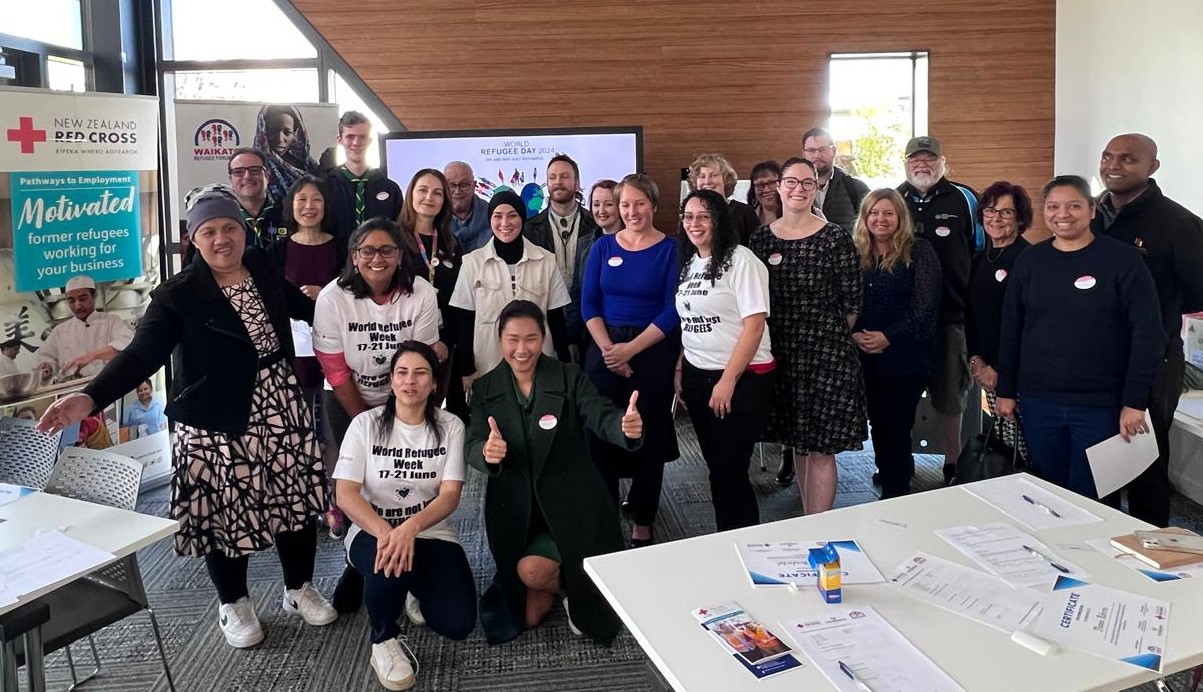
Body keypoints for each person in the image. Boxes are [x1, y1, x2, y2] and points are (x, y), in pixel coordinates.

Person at [37, 193, 336, 648]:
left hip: (279, 400)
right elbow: (141, 355)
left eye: (230, 228)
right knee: (222, 512)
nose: (222, 239)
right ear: (193, 239)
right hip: (212, 416)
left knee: (294, 498)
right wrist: (90, 397)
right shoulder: (178, 295)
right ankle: (233, 602)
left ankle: (298, 588)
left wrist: (365, 309)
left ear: (243, 230)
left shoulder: (262, 266)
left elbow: (306, 309)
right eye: (209, 231)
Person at [465, 300, 643, 645]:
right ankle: (565, 582)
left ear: (543, 337)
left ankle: (579, 591)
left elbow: (599, 413)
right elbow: (472, 440)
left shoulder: (567, 375)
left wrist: (624, 427)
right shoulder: (486, 389)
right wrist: (486, 452)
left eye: (531, 338)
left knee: (535, 574)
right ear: (499, 339)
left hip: (572, 501)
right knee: (527, 616)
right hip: (518, 509)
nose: (521, 349)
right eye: (513, 339)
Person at [996, 175, 1163, 504]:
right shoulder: (1030, 261)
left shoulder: (1123, 261)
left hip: (1101, 405)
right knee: (1049, 495)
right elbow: (1011, 328)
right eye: (1053, 206)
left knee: (1096, 497)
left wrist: (1134, 401)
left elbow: (1147, 334)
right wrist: (1006, 391)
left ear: (1090, 210)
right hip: (1039, 401)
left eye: (1074, 205)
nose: (1063, 214)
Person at [313, 217, 441, 613]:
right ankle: (362, 565)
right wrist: (368, 423)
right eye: (367, 250)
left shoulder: (421, 291)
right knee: (359, 489)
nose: (377, 258)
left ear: (400, 255)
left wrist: (399, 419)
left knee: (411, 484)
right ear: (354, 256)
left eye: (386, 249)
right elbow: (334, 367)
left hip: (408, 398)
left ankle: (415, 572)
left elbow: (422, 359)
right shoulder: (333, 297)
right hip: (347, 400)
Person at [334, 341, 476, 690]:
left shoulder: (451, 425)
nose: (410, 381)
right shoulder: (365, 424)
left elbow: (450, 495)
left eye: (420, 373)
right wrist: (388, 533)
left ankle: (406, 582)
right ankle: (383, 639)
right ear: (392, 381)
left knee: (457, 623)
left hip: (429, 530)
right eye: (402, 372)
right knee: (389, 561)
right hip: (373, 529)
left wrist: (409, 528)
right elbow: (346, 494)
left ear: (433, 383)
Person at [1093, 133, 1203, 527]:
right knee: (1098, 460)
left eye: (1128, 159)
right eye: (1107, 156)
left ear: (1152, 167)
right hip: (1095, 362)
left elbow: (1197, 293)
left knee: (1143, 463)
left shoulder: (1178, 223)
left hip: (1152, 362)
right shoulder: (1092, 215)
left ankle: (1150, 556)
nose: (1113, 165)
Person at [749, 159, 866, 514]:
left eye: (806, 183)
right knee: (798, 443)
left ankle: (821, 523)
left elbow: (851, 304)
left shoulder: (835, 238)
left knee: (820, 448)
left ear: (816, 188)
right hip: (781, 357)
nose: (798, 189)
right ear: (779, 187)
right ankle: (806, 519)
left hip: (825, 358)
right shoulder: (760, 239)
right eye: (791, 182)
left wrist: (821, 338)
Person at [581, 173, 679, 547]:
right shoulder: (604, 248)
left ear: (653, 205)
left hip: (651, 347)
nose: (632, 211)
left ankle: (643, 516)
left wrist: (631, 350)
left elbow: (673, 310)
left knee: (649, 434)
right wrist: (610, 349)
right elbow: (590, 303)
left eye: (639, 203)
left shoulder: (671, 249)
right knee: (599, 432)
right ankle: (605, 511)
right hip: (604, 346)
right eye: (625, 205)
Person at [677, 189, 775, 530]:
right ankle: (725, 539)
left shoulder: (742, 260)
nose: (694, 224)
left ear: (719, 220)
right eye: (688, 216)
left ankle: (743, 543)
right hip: (697, 374)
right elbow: (689, 317)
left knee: (729, 471)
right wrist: (681, 367)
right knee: (717, 469)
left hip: (739, 378)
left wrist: (728, 380)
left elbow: (754, 325)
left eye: (703, 216)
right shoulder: (690, 261)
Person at [897, 135, 983, 484]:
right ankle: (895, 457)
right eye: (915, 160)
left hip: (951, 315)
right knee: (899, 395)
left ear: (942, 162)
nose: (922, 165)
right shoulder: (893, 199)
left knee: (950, 394)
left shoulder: (965, 198)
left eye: (929, 159)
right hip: (903, 321)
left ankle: (953, 460)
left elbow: (980, 251)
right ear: (905, 164)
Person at [851, 189, 942, 499]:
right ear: (865, 218)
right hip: (865, 355)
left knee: (898, 424)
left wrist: (887, 336)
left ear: (900, 217)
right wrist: (855, 334)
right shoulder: (856, 252)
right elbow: (845, 300)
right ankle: (889, 472)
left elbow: (924, 309)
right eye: (874, 213)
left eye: (888, 213)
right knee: (878, 422)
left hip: (906, 356)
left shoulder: (919, 251)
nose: (881, 219)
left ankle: (897, 491)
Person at [451, 189, 571, 397]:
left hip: (538, 364)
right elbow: (463, 320)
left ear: (522, 219)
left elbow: (555, 318)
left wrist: (565, 366)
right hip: (488, 366)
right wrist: (466, 370)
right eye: (497, 216)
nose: (505, 223)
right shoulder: (472, 263)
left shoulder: (546, 260)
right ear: (490, 220)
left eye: (512, 215)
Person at [965, 182, 1033, 461]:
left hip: (1016, 373)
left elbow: (1027, 323)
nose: (996, 218)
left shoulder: (1028, 259)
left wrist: (1001, 370)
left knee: (1024, 450)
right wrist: (976, 360)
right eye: (991, 210)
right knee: (1006, 448)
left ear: (1020, 218)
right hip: (987, 369)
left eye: (1006, 212)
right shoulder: (981, 258)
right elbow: (972, 313)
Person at [397, 168, 468, 420]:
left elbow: (457, 300)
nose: (430, 197)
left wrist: (445, 341)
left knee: (438, 416)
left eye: (437, 192)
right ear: (411, 195)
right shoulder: (395, 238)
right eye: (423, 190)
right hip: (403, 343)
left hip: (444, 345)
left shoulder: (451, 242)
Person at [523, 155, 601, 361]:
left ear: (577, 183)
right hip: (547, 323)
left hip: (591, 324)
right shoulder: (530, 229)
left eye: (564, 176)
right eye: (552, 177)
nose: (558, 182)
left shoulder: (596, 225)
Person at [326, 111, 403, 248]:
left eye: (362, 137)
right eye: (350, 137)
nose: (356, 142)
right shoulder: (326, 186)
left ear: (369, 141)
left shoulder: (390, 188)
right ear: (340, 140)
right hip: (336, 264)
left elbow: (399, 232)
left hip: (378, 263)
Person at [35, 275, 133, 380]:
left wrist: (92, 356)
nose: (77, 306)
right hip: (69, 389)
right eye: (71, 301)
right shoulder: (60, 330)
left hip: (105, 384)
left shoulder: (111, 321)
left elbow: (127, 344)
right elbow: (46, 356)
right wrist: (46, 367)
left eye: (83, 299)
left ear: (94, 296)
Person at [802, 127, 870, 233]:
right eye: (811, 150)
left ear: (833, 151)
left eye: (822, 149)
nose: (817, 155)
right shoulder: (793, 190)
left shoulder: (856, 188)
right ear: (804, 154)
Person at [688, 153, 760, 244]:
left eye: (714, 175)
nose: (707, 181)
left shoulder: (744, 212)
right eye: (702, 176)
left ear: (726, 179)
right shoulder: (689, 214)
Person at [254, 104, 320, 203]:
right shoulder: (254, 167)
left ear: (295, 134)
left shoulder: (309, 166)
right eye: (273, 131)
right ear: (263, 131)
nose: (280, 139)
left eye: (287, 132)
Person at [227, 148, 287, 250]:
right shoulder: (221, 218)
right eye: (238, 172)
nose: (247, 177)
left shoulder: (289, 214)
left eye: (255, 170)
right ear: (231, 180)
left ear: (267, 177)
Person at [445, 161, 491, 253]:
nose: (457, 191)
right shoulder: (434, 217)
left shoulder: (492, 215)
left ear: (474, 186)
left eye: (464, 184)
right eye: (451, 185)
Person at [746, 161, 782, 226]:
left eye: (772, 183)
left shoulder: (796, 216)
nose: (766, 189)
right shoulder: (747, 219)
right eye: (760, 185)